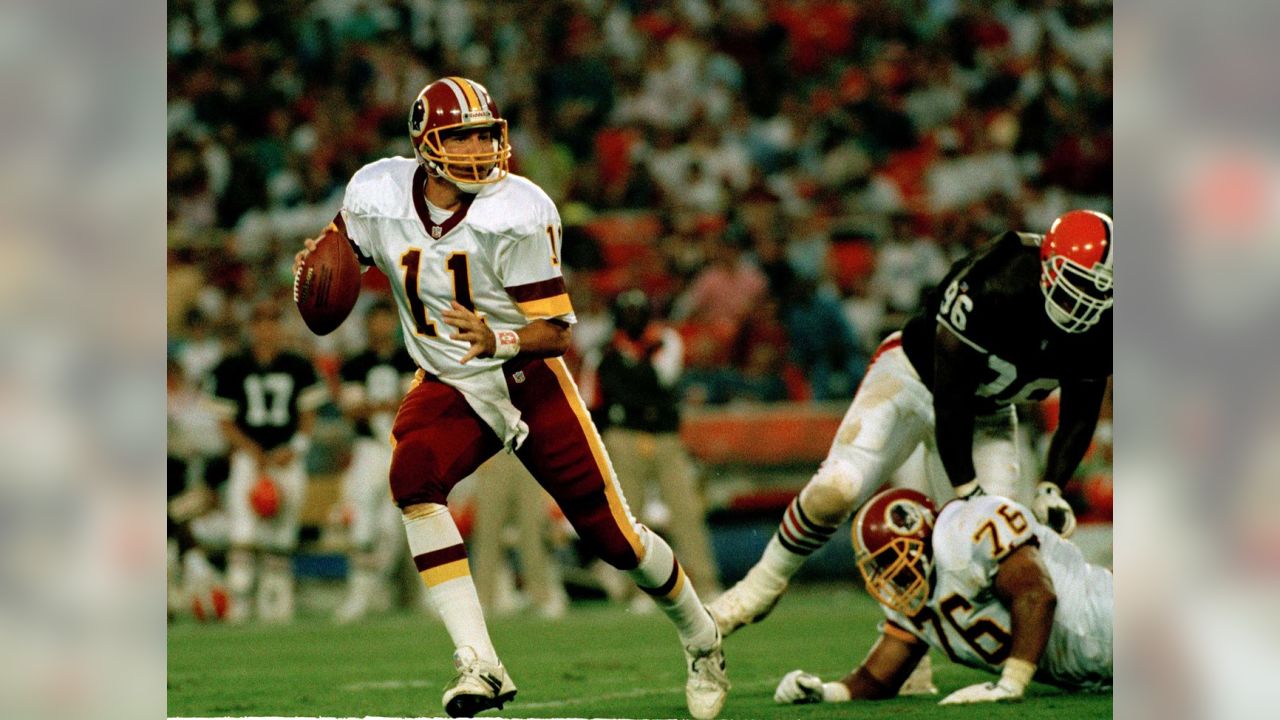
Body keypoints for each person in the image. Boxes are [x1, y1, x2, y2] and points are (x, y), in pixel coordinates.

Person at [292, 77, 729, 719]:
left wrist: (496, 336)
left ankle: (701, 636)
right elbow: (344, 251)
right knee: (412, 477)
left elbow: (553, 331)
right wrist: (318, 266)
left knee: (616, 540)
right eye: (459, 136)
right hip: (449, 380)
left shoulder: (517, 209)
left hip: (526, 380)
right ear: (424, 144)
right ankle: (480, 664)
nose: (476, 149)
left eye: (483, 135)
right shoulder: (377, 191)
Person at [709, 210, 1113, 638]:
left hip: (989, 413)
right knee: (836, 490)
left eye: (1097, 291)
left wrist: (1051, 485)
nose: (1083, 303)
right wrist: (966, 494)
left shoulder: (1106, 326)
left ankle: (906, 645)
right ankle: (760, 585)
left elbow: (1081, 407)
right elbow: (951, 393)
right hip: (914, 378)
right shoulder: (997, 280)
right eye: (1075, 286)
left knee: (993, 555)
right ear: (1047, 268)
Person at [773, 487, 1112, 705]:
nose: (890, 574)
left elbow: (1037, 595)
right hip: (1097, 675)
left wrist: (1011, 683)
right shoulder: (916, 596)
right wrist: (824, 692)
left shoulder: (965, 533)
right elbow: (877, 677)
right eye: (878, 566)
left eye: (891, 559)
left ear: (918, 534)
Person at [580, 289, 722, 604]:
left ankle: (706, 581)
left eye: (638, 312)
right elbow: (591, 404)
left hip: (665, 438)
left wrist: (630, 368)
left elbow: (662, 379)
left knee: (686, 511)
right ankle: (636, 590)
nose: (633, 318)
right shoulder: (602, 352)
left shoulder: (665, 341)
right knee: (630, 519)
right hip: (624, 438)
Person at [206, 301, 327, 623]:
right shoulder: (233, 365)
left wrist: (296, 447)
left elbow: (308, 414)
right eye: (260, 322)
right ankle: (239, 606)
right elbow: (224, 420)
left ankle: (276, 608)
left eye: (273, 322)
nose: (267, 329)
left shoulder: (298, 365)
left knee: (281, 537)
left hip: (286, 458)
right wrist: (250, 450)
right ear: (251, 328)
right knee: (243, 534)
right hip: (250, 459)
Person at [333, 298, 418, 623]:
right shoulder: (355, 363)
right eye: (375, 320)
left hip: (401, 447)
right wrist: (387, 406)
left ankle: (378, 589)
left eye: (385, 320)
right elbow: (352, 409)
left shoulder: (408, 356)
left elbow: (414, 402)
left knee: (392, 527)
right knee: (362, 522)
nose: (380, 326)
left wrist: (381, 405)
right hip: (369, 447)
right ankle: (359, 593)